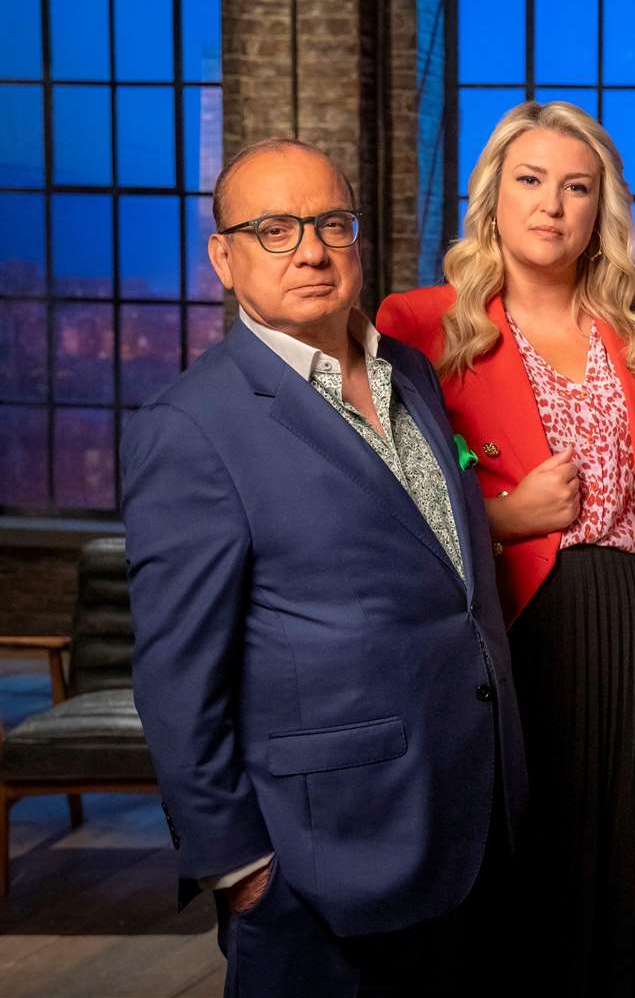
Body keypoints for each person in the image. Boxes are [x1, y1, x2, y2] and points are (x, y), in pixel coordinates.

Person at [122, 140, 527, 997]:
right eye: (273, 230)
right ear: (223, 258)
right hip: (320, 860)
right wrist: (239, 866)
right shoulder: (192, 427)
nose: (309, 249)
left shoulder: (409, 373)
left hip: (466, 824)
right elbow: (175, 677)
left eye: (330, 224)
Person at [376, 100, 635, 997]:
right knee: (526, 869)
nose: (552, 206)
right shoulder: (417, 324)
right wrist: (499, 516)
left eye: (577, 187)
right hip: (511, 626)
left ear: (600, 206)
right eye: (530, 181)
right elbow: (380, 496)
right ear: (492, 196)